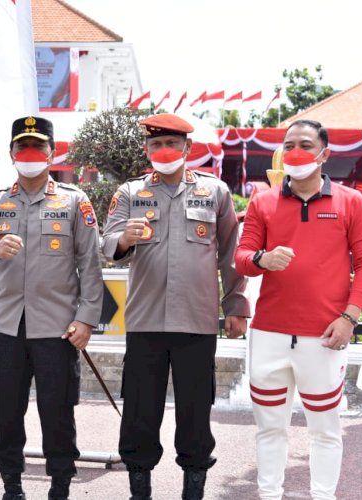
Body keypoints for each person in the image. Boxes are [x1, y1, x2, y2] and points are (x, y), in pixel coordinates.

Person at [101, 113, 249, 500]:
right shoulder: (130, 192)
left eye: (171, 144)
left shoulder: (213, 192)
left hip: (196, 321)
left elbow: (231, 253)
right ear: (146, 150)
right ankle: (140, 490)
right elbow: (107, 242)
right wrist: (124, 240)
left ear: (187, 148)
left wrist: (235, 305)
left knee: (195, 412)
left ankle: (193, 488)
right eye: (155, 145)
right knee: (139, 412)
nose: (163, 151)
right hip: (145, 321)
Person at [235, 119, 362, 500]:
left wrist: (350, 318)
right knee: (269, 427)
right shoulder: (263, 200)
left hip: (326, 336)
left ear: (324, 154)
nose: (295, 151)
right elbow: (242, 257)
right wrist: (263, 260)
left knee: (325, 429)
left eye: (304, 144)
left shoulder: (351, 202)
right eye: (288, 144)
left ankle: (322, 496)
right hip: (269, 334)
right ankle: (269, 494)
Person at [0, 116, 104, 500]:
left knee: (57, 413)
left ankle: (60, 485)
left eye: (37, 148)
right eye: (22, 148)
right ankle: (12, 484)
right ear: (11, 154)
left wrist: (86, 319)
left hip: (58, 329)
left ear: (52, 153)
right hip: (8, 327)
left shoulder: (75, 200)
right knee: (6, 413)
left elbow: (89, 264)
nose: (29, 155)